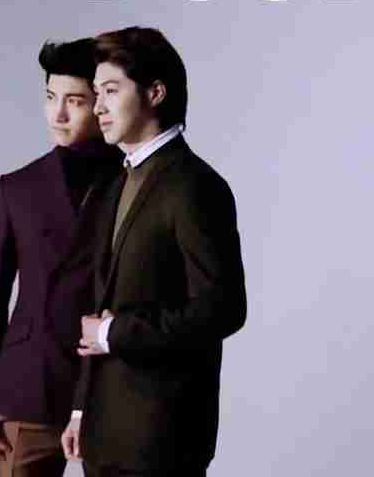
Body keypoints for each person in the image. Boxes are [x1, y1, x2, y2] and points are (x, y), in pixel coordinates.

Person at [61, 26, 247, 477]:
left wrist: (116, 333)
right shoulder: (115, 183)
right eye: (96, 93)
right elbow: (99, 308)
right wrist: (82, 408)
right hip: (104, 435)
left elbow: (223, 309)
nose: (98, 107)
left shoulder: (195, 185)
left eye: (110, 91)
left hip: (162, 438)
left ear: (155, 93)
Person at [0, 38, 121, 477]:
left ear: (101, 102)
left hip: (110, 390)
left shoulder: (132, 183)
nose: (58, 115)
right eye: (51, 98)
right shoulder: (17, 188)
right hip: (29, 388)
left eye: (75, 101)